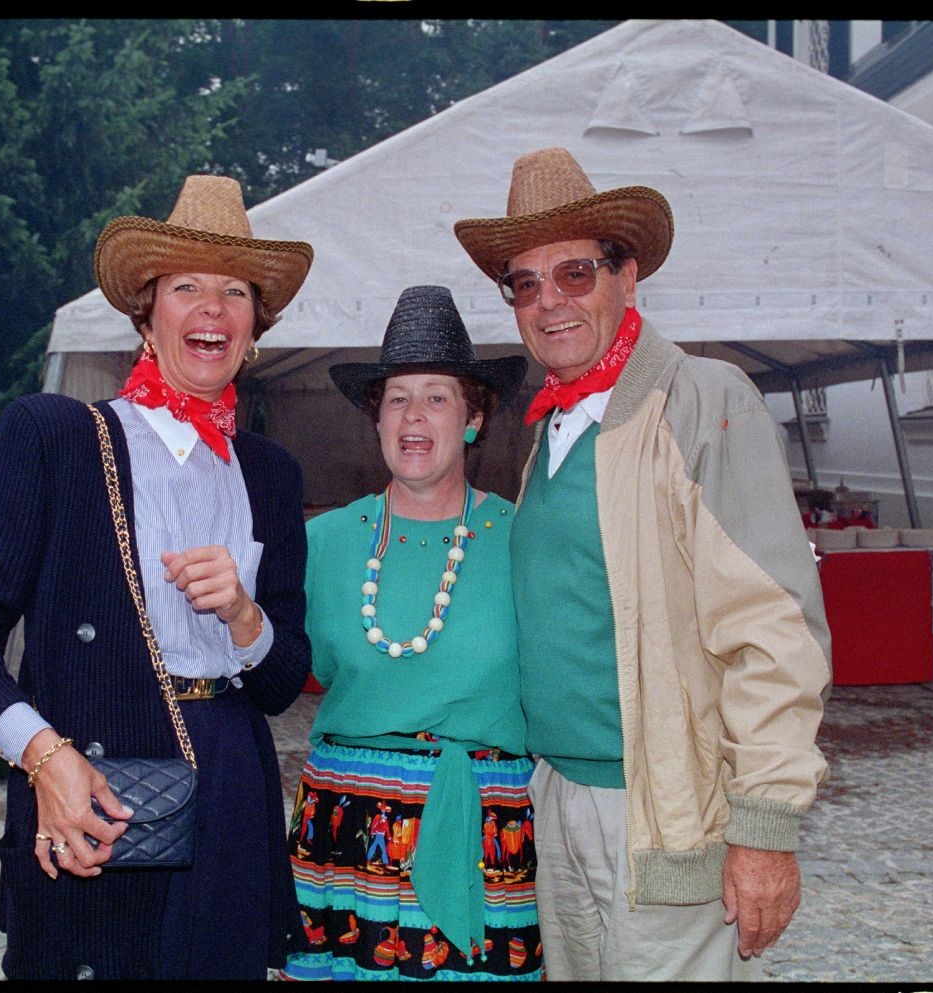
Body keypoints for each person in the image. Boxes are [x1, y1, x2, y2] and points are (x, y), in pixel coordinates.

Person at [0, 174, 315, 980]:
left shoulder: (270, 473)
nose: (213, 308)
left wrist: (244, 614)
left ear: (255, 324)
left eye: (235, 290)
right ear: (146, 311)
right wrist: (44, 758)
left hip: (232, 783)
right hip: (93, 781)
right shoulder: (59, 437)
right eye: (187, 287)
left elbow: (280, 681)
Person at [452, 147, 831, 981]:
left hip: (661, 807)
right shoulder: (550, 429)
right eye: (524, 282)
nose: (549, 301)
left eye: (575, 272)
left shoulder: (702, 398)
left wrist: (765, 827)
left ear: (628, 275)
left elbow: (774, 626)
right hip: (558, 796)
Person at [279, 285, 541, 981]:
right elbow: (264, 664)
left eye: (436, 396)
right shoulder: (322, 542)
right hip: (344, 835)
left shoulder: (525, 540)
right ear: (376, 418)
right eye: (397, 397)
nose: (414, 416)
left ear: (474, 417)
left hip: (480, 831)